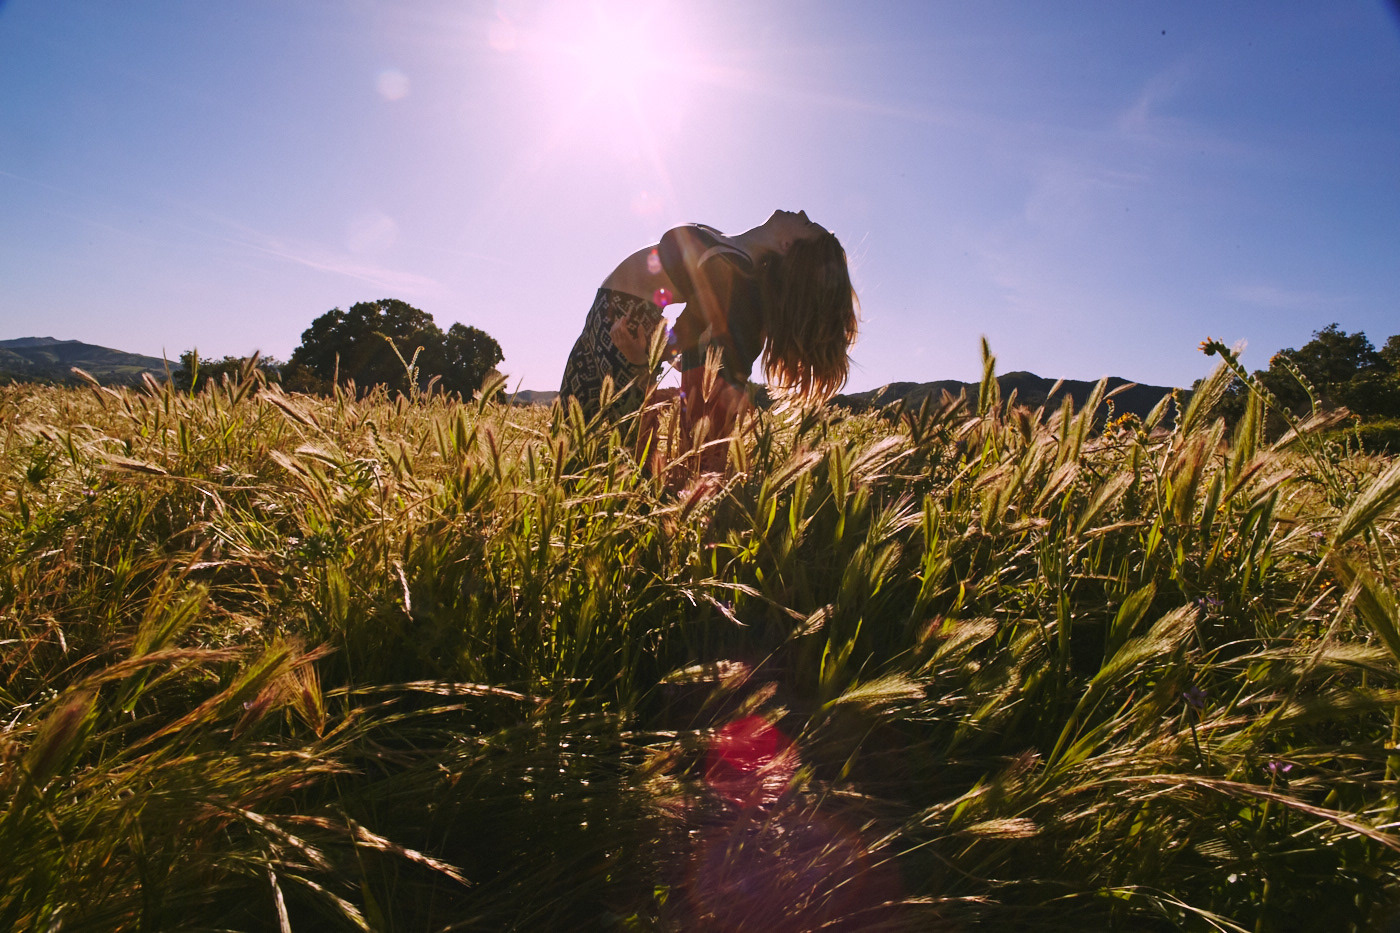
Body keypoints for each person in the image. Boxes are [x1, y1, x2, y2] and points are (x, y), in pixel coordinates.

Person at [559, 210, 859, 467]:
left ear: (786, 246)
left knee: (602, 453)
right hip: (604, 314)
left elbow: (693, 338)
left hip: (623, 326)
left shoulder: (735, 271)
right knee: (570, 433)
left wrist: (642, 359)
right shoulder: (732, 248)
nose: (803, 213)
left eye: (807, 225)